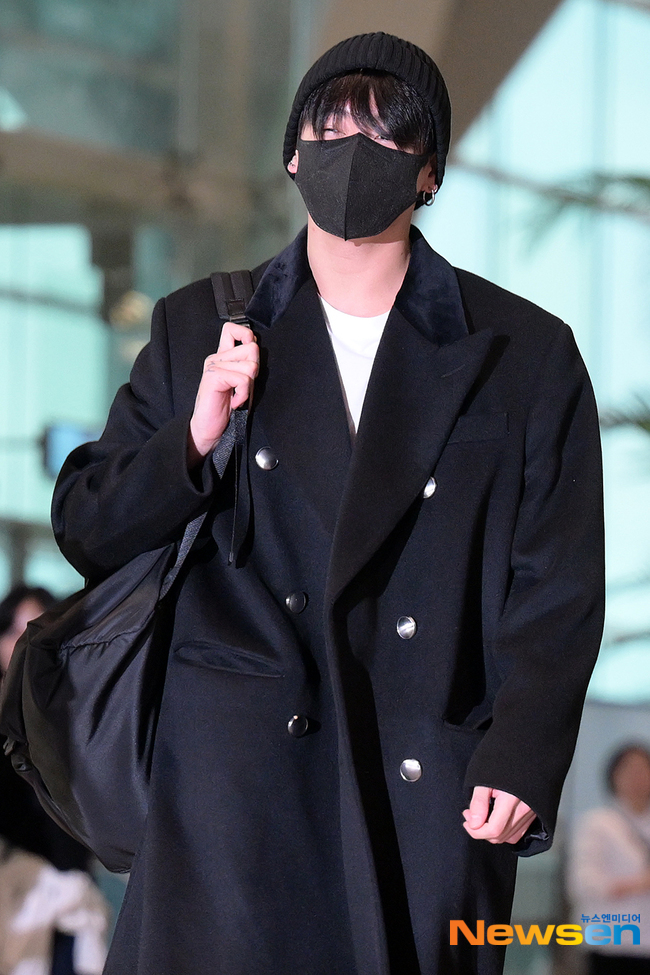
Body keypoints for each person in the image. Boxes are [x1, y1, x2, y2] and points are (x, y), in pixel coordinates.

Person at [51, 32, 605, 975]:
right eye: (330, 126)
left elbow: (556, 583)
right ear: (292, 156)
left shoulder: (523, 352)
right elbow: (87, 523)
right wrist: (192, 438)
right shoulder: (201, 325)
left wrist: (523, 749)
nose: (353, 151)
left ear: (429, 171)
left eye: (385, 135)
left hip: (420, 777)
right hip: (230, 793)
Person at [569, 744, 650, 974]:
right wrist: (639, 884)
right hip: (611, 941)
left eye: (643, 770)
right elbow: (583, 884)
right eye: (630, 770)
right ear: (613, 776)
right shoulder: (598, 823)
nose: (637, 778)